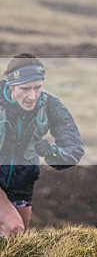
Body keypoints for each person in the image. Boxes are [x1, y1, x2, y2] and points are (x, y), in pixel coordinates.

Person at [0, 53, 84, 236]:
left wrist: (52, 152)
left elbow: (74, 149)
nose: (32, 96)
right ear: (10, 85)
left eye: (37, 88)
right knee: (14, 228)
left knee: (17, 241)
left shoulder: (50, 105)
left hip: (22, 183)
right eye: (25, 88)